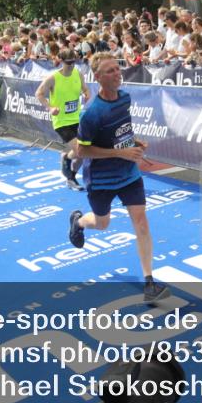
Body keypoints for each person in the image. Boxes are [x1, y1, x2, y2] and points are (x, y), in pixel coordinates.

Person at [68, 53, 170, 305]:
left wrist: (132, 142)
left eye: (117, 68)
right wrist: (119, 151)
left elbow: (120, 130)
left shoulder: (125, 97)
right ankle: (79, 222)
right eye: (110, 71)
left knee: (142, 222)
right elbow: (82, 151)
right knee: (102, 224)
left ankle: (149, 283)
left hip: (129, 174)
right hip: (101, 180)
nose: (117, 73)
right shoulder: (91, 113)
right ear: (98, 78)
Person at [36, 48, 90, 190]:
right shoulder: (53, 78)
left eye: (73, 62)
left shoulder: (78, 74)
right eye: (68, 63)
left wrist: (87, 94)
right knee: (81, 150)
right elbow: (39, 93)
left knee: (83, 152)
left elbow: (85, 88)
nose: (71, 65)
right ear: (61, 61)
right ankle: (67, 161)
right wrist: (50, 108)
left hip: (77, 118)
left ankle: (71, 176)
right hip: (61, 121)